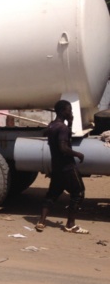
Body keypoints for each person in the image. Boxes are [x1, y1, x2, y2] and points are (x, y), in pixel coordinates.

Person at [35, 100, 88, 234]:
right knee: (78, 193)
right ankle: (70, 225)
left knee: (52, 194)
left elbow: (64, 139)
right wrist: (78, 154)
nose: (71, 112)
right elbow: (63, 147)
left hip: (56, 167)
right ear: (62, 111)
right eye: (69, 110)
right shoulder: (62, 128)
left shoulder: (52, 125)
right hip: (67, 166)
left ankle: (41, 221)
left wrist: (70, 123)